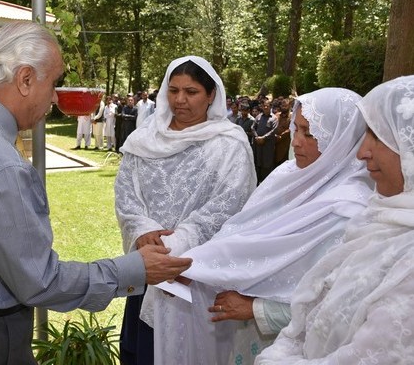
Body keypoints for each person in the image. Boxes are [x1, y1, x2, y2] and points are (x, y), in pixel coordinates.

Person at [0, 21, 192, 365]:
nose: (55, 97)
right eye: (54, 82)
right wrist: (134, 269)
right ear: (26, 79)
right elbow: (40, 280)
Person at [173, 88, 374, 365]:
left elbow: (338, 306)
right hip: (246, 337)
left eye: (310, 133)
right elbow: (244, 234)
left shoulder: (352, 210)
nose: (297, 141)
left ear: (343, 139)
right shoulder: (286, 176)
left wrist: (258, 309)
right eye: (296, 129)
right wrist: (195, 266)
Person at [256, 75, 414, 364]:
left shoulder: (359, 209)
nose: (362, 152)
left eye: (378, 137)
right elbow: (318, 305)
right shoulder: (378, 216)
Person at [115, 55, 256, 365]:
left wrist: (178, 245)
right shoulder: (143, 140)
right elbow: (126, 195)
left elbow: (231, 204)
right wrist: (142, 231)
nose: (180, 100)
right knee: (142, 352)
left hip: (196, 273)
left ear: (211, 95)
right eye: (174, 90)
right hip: (148, 266)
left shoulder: (228, 145)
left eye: (191, 92)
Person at [252, 98, 278, 183]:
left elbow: (274, 130)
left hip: (267, 146)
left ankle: (266, 183)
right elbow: (253, 128)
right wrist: (257, 137)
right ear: (262, 107)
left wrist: (264, 138)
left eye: (267, 106)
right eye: (264, 106)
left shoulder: (274, 118)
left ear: (270, 106)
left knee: (267, 165)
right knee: (257, 163)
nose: (266, 107)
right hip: (258, 145)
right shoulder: (258, 117)